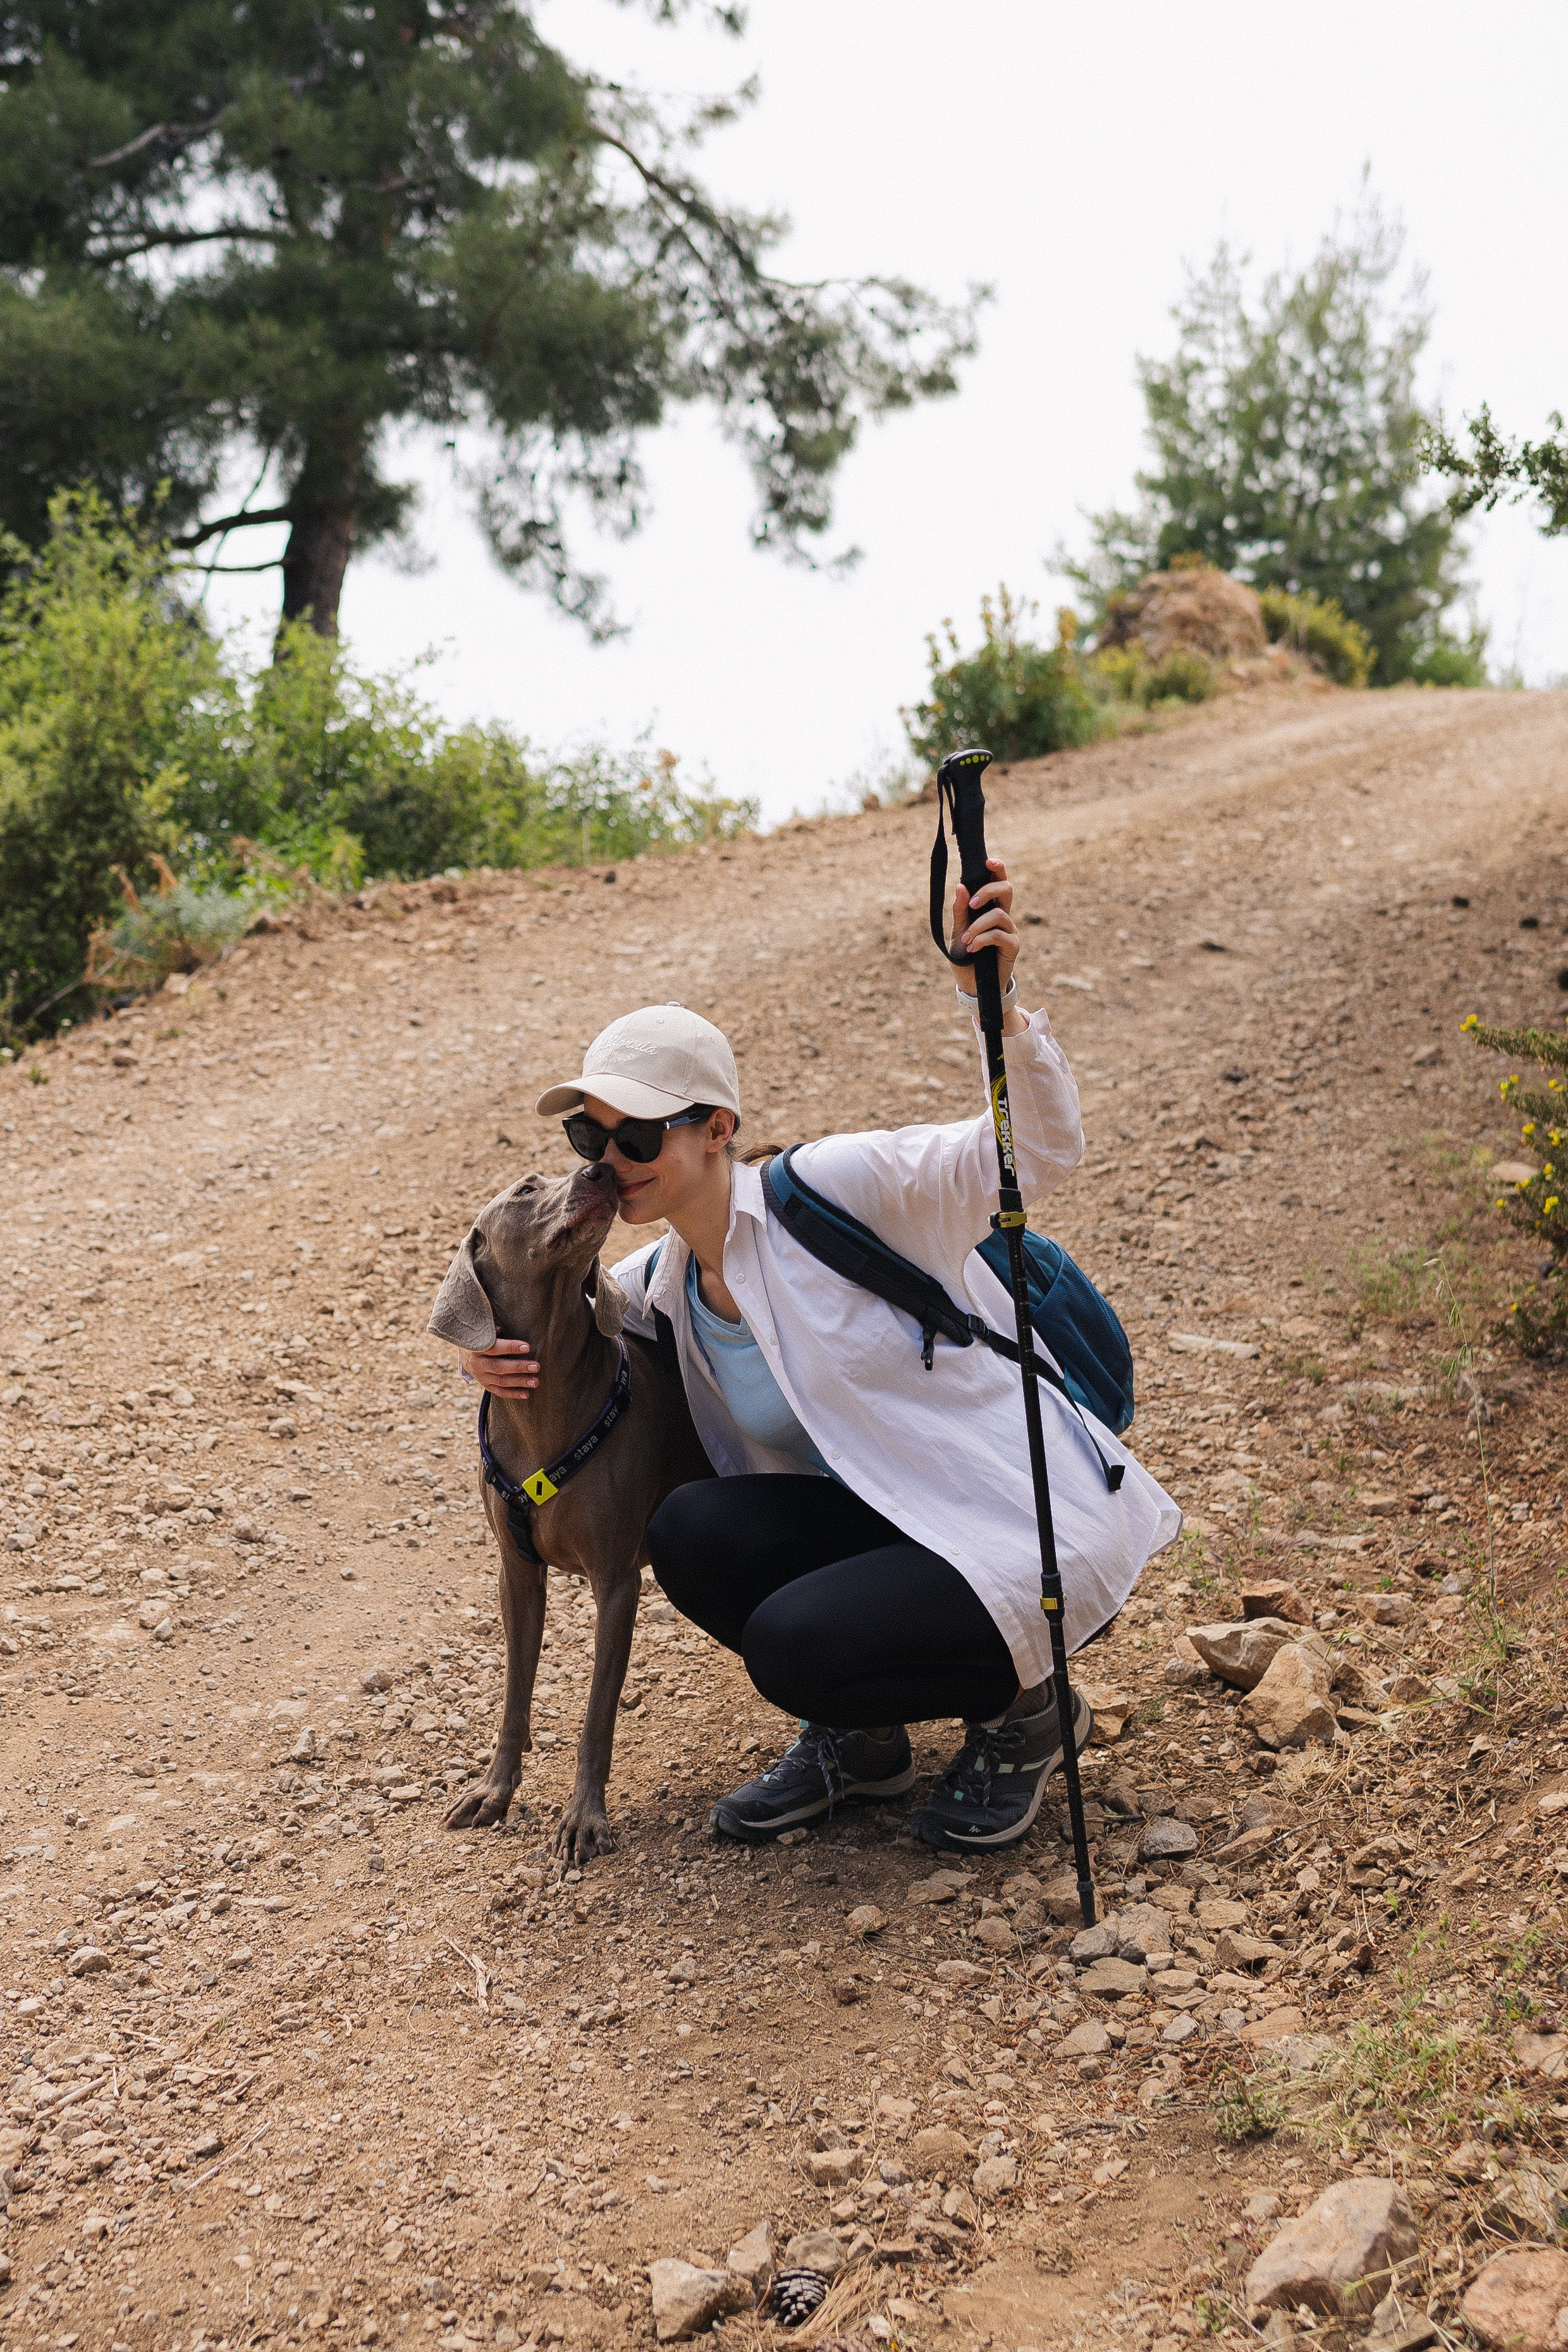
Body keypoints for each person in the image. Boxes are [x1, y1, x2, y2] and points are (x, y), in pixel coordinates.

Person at [455, 858, 1179, 1853]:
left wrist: (996, 1005)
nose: (609, 1163)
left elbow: (1039, 1151)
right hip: (888, 1524)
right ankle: (868, 1747)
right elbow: (570, 1364)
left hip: (1008, 1522)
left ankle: (1030, 1715)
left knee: (797, 1647)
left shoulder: (835, 1189)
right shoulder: (665, 1285)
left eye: (639, 1136)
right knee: (692, 1531)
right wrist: (489, 1358)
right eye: (593, 1134)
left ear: (717, 1131)